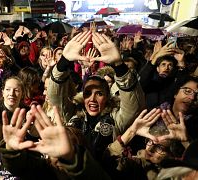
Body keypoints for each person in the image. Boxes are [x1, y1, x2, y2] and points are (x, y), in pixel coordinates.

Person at [48, 31, 145, 160]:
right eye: (88, 93)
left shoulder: (116, 119)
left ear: (107, 96)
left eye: (99, 93)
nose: (92, 99)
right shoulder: (73, 113)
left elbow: (134, 105)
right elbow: (55, 97)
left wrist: (118, 65)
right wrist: (63, 61)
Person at [0, 105, 110, 179]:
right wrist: (10, 150)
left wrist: (71, 157)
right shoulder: (44, 171)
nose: (58, 155)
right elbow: (22, 167)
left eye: (71, 145)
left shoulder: (92, 171)